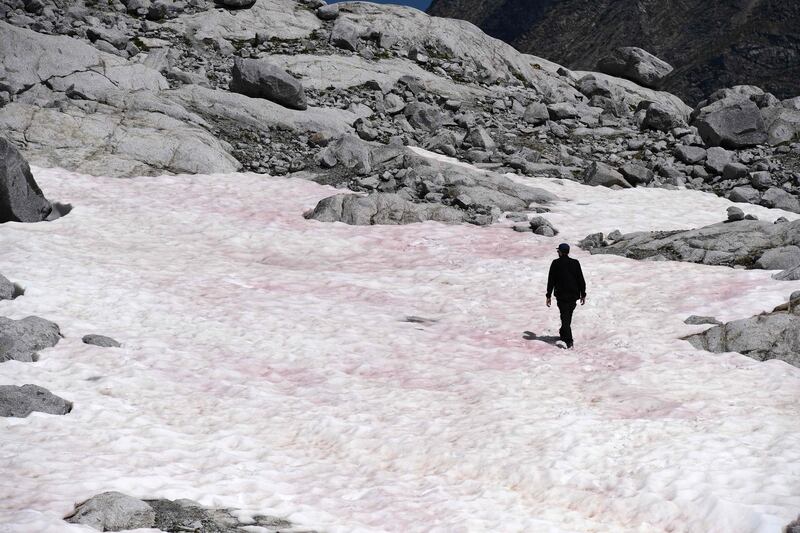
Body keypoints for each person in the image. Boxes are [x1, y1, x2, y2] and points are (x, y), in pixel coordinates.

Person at [546, 243, 586, 349]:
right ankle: (563, 332)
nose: (557, 252)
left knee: (565, 317)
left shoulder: (555, 263)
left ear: (560, 252)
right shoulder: (575, 263)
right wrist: (583, 293)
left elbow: (551, 280)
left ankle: (569, 340)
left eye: (558, 251)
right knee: (567, 316)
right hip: (573, 295)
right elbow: (580, 279)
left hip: (562, 295)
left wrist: (548, 295)